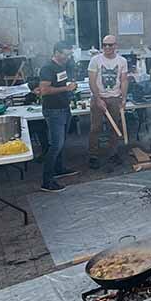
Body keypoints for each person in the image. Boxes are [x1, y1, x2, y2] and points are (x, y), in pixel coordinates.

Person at [37, 44, 79, 191]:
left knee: (61, 143)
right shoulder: (48, 68)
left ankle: (59, 169)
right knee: (55, 145)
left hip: (64, 108)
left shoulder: (62, 66)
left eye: (69, 55)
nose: (68, 58)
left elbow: (59, 84)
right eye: (65, 55)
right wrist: (66, 88)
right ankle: (47, 181)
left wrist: (69, 89)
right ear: (56, 53)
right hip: (54, 110)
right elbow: (44, 90)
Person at [87, 35, 128, 169]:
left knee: (114, 127)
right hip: (98, 97)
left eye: (110, 45)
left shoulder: (122, 61)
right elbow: (92, 81)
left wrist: (123, 98)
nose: (107, 47)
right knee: (95, 128)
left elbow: (123, 80)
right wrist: (98, 98)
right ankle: (93, 155)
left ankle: (113, 153)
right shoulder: (95, 60)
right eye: (105, 45)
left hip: (114, 98)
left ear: (116, 46)